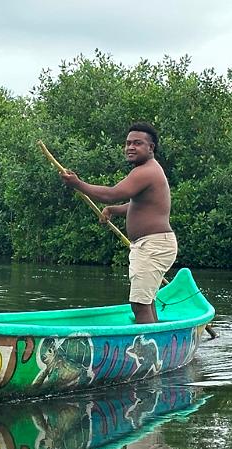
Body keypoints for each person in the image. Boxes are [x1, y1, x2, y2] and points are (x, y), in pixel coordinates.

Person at [60, 123, 177, 324]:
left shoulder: (146, 171)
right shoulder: (147, 171)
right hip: (152, 245)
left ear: (151, 148)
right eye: (128, 143)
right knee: (146, 302)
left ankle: (148, 350)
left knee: (140, 304)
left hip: (154, 246)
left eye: (137, 143)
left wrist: (78, 184)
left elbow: (111, 194)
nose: (130, 147)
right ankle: (155, 338)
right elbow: (138, 206)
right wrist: (113, 210)